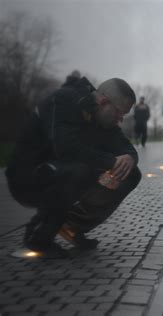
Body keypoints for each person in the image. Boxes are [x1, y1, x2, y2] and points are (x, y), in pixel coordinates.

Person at [5, 77, 141, 258]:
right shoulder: (65, 100)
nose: (120, 119)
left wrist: (130, 159)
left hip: (63, 170)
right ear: (103, 101)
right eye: (119, 112)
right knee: (79, 169)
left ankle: (72, 225)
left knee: (130, 174)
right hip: (27, 176)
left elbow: (125, 147)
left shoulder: (104, 119)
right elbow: (66, 149)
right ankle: (39, 235)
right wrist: (111, 162)